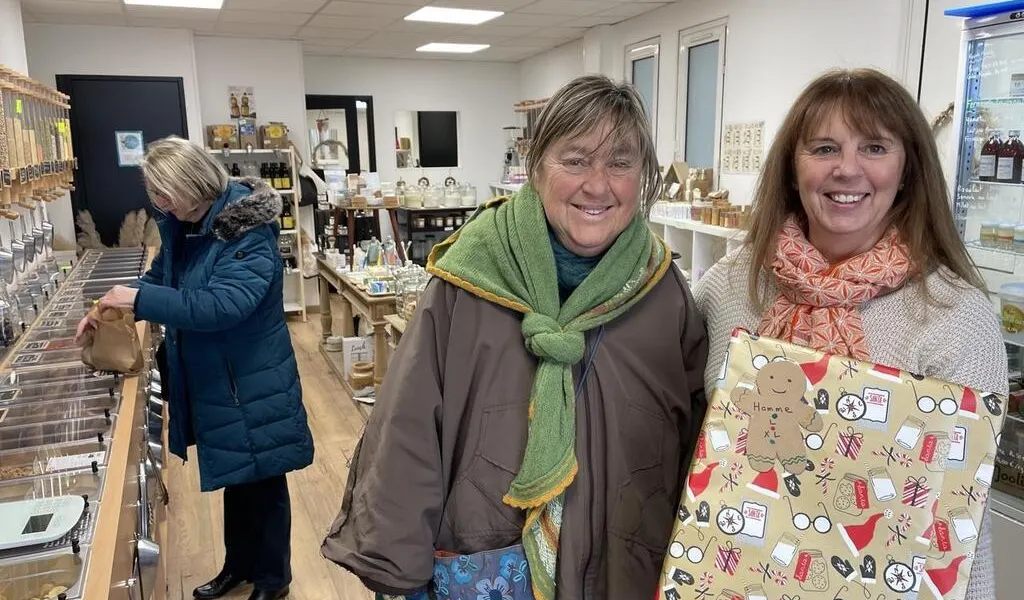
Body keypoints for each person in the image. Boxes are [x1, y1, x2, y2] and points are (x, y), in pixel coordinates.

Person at [321, 75, 708, 600]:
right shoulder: (468, 280)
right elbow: (406, 430)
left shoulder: (662, 293)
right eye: (576, 160)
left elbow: (694, 445)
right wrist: (399, 569)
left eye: (620, 163)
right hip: (487, 567)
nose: (598, 186)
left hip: (624, 568)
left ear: (642, 175)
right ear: (537, 165)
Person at [693, 68, 1004, 600]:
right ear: (792, 169)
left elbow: (957, 517)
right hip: (728, 577)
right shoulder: (729, 287)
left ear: (906, 171)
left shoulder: (955, 316)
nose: (847, 168)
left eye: (875, 147)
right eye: (824, 148)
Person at [76, 136, 314, 600]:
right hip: (221, 377)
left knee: (262, 482)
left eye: (164, 192)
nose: (158, 202)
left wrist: (138, 300)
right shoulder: (187, 225)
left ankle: (273, 580)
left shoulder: (247, 231)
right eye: (154, 193)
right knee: (237, 478)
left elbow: (221, 305)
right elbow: (161, 279)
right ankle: (239, 567)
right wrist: (111, 306)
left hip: (250, 379)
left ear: (192, 183)